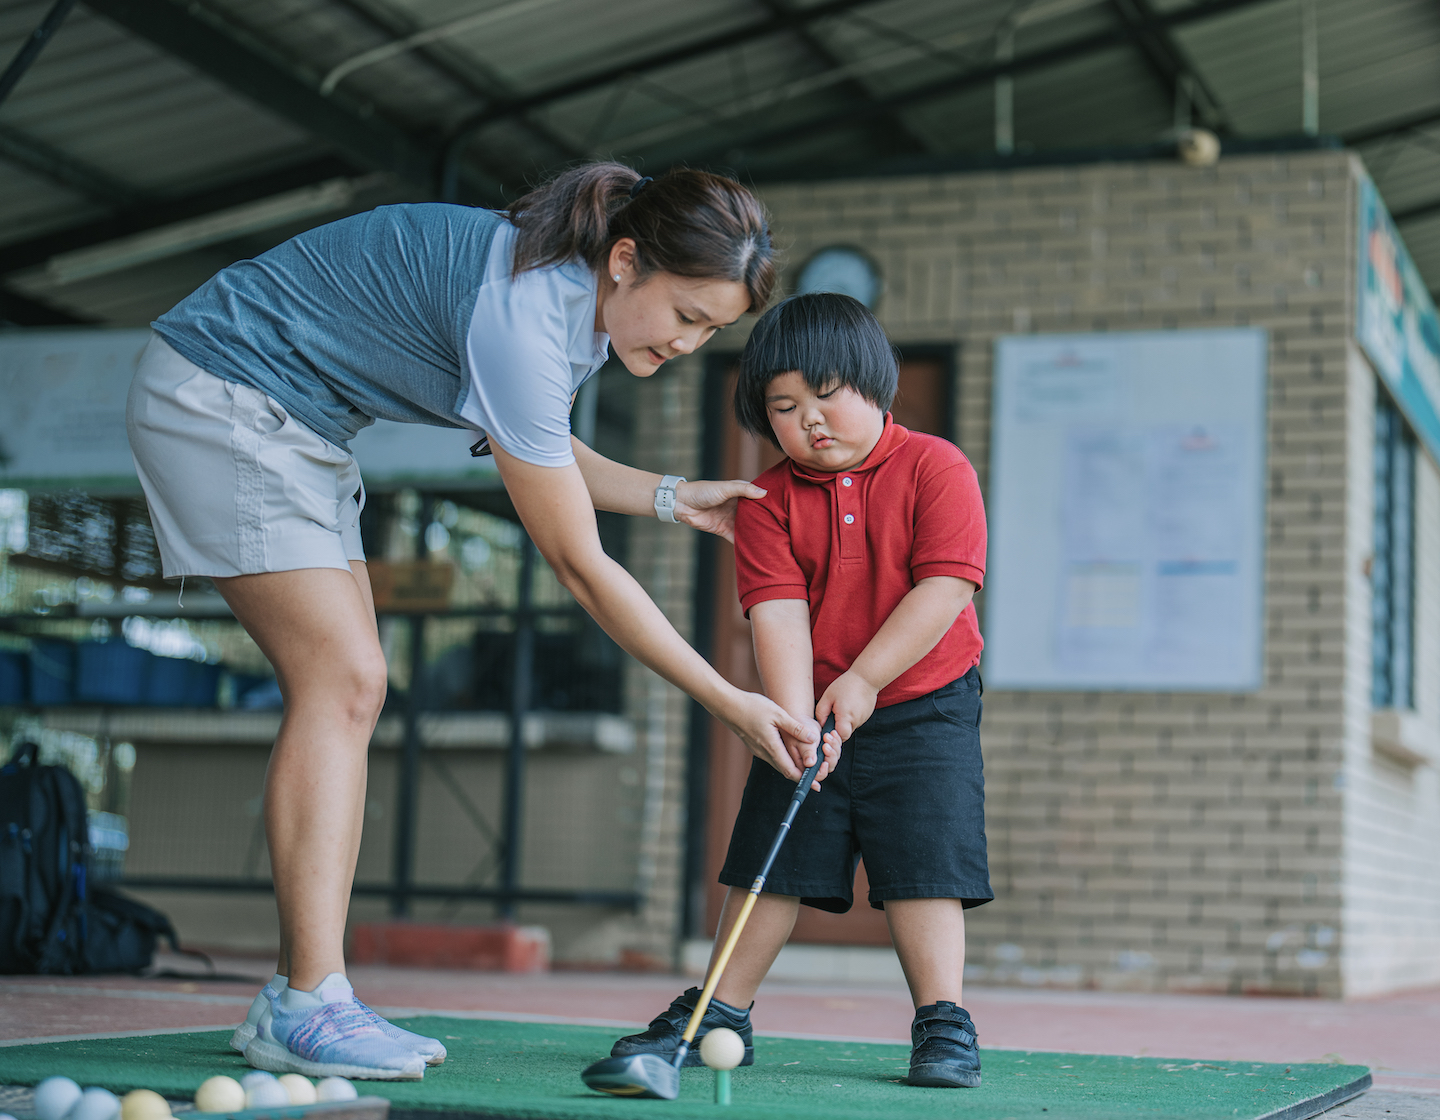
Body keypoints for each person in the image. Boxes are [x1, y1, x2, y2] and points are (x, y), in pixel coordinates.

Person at [126, 163, 820, 1081]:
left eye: (712, 330)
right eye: (687, 316)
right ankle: (306, 1003)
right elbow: (578, 563)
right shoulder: (528, 316)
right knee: (346, 681)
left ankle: (298, 1000)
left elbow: (540, 442)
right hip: (227, 399)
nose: (693, 343)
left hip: (299, 424)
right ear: (625, 261)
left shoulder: (565, 302)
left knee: (347, 687)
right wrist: (727, 698)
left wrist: (668, 496)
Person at [609, 292, 992, 1088]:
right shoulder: (765, 503)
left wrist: (865, 680)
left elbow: (946, 588)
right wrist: (791, 724)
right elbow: (776, 617)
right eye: (784, 406)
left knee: (925, 856)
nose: (810, 420)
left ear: (875, 384)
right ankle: (721, 1011)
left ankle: (943, 1023)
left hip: (927, 701)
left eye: (826, 394)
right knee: (772, 856)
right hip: (812, 708)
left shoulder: (936, 467)